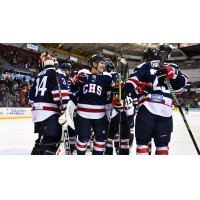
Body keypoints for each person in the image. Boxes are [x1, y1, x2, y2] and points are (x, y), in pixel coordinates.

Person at [120, 45, 188, 155]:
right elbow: (180, 88)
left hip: (147, 108)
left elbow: (132, 82)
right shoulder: (173, 66)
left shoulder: (145, 65)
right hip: (165, 110)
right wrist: (174, 74)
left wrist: (123, 95)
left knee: (143, 144)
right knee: (162, 146)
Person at [70, 54, 114, 155]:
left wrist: (114, 92)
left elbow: (109, 96)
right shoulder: (83, 74)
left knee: (101, 139)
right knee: (83, 138)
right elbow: (72, 91)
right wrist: (75, 82)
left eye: (104, 64)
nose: (104, 66)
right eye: (102, 63)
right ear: (94, 64)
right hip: (83, 114)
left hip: (100, 115)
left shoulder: (107, 78)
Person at [29, 55, 72, 155]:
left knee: (40, 140)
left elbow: (31, 99)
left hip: (37, 113)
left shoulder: (39, 75)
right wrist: (65, 108)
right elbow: (60, 93)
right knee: (51, 141)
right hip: (49, 113)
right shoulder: (57, 72)